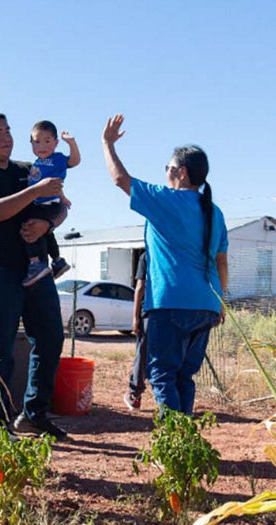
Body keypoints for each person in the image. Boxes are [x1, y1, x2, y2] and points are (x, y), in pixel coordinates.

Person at [102, 114, 229, 415]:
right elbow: (222, 262)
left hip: (169, 304)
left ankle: (176, 445)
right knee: (184, 376)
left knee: (161, 375)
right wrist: (220, 303)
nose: (166, 174)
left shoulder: (166, 201)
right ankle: (185, 444)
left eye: (168, 168)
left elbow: (120, 179)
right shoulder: (215, 212)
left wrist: (107, 144)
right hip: (206, 305)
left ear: (182, 173)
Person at [0, 111, 70, 439]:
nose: (6, 137)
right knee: (0, 347)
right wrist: (34, 193)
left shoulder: (30, 169)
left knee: (51, 339)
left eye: (8, 130)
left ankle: (33, 415)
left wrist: (47, 223)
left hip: (37, 268)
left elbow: (62, 203)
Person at [23, 120, 79, 286]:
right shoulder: (36, 163)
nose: (42, 146)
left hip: (46, 204)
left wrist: (71, 142)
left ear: (56, 142)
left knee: (28, 229)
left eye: (47, 141)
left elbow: (74, 161)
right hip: (39, 202)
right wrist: (63, 196)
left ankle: (35, 263)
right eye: (37, 141)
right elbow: (53, 183)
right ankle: (57, 260)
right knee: (47, 233)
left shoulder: (57, 159)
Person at [124, 250, 149, 411]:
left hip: (150, 311)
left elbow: (140, 287)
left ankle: (135, 394)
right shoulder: (175, 250)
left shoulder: (147, 256)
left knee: (143, 353)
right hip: (173, 309)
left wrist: (135, 317)